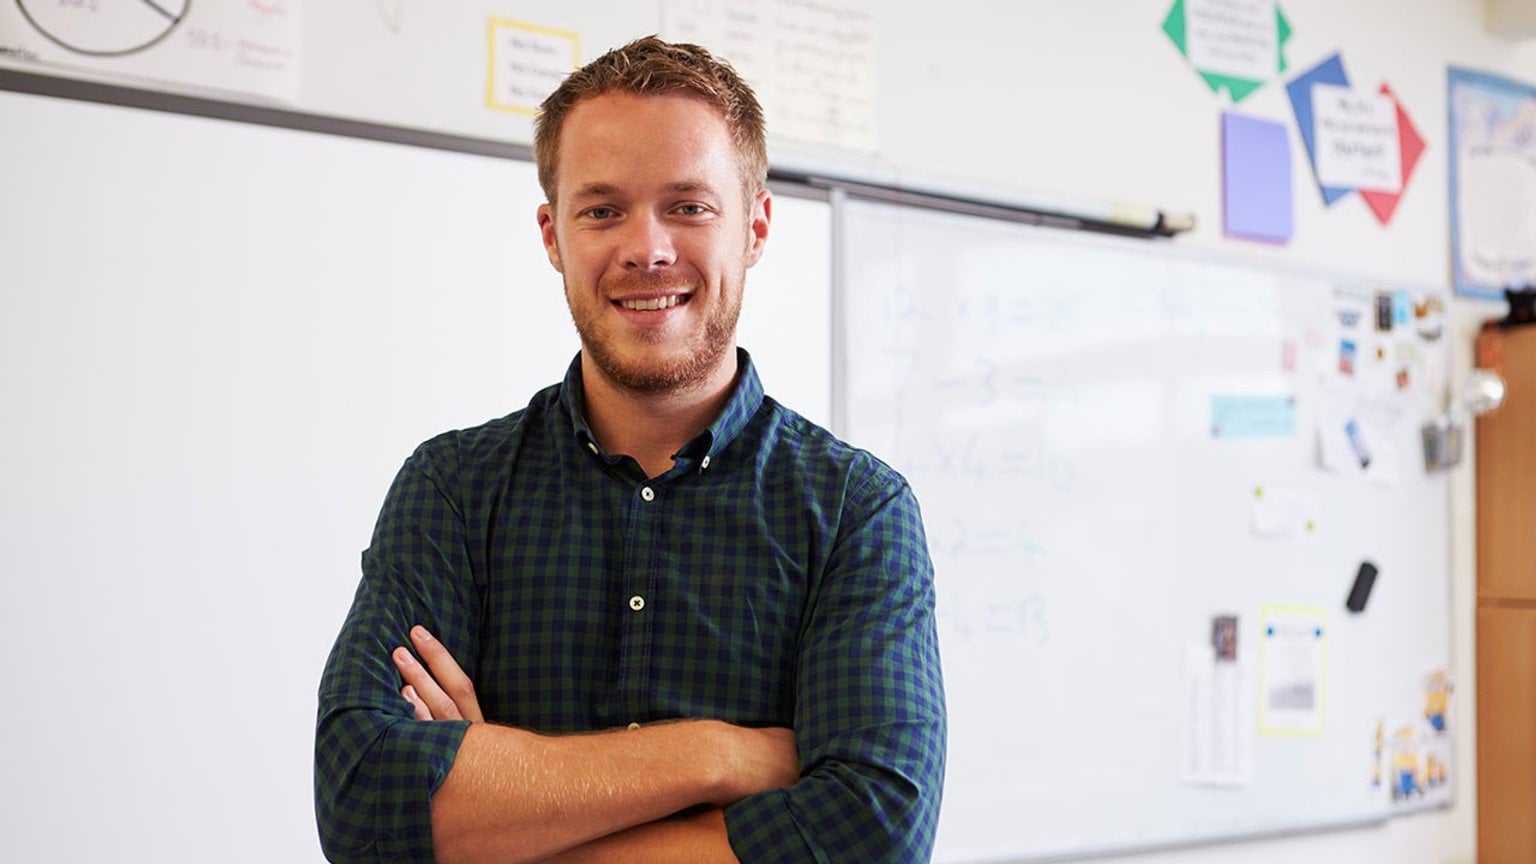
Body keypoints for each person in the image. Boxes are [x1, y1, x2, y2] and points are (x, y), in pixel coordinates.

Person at [314, 35, 945, 864]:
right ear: (553, 234)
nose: (647, 250)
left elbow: (875, 833)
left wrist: (507, 813)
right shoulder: (453, 489)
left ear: (754, 225)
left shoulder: (855, 511)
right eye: (603, 209)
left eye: (689, 206)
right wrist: (722, 755)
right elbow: (363, 806)